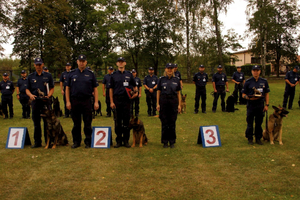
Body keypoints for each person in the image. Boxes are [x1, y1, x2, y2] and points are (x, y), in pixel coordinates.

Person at [65, 54, 99, 148]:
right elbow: (67, 88)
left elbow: (95, 89)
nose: (81, 63)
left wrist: (96, 102)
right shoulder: (71, 74)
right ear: (77, 62)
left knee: (87, 122)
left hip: (87, 101)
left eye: (83, 61)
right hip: (75, 100)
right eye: (80, 61)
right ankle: (76, 141)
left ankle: (88, 141)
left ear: (86, 62)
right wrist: (67, 101)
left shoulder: (90, 74)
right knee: (76, 123)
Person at [26, 58, 54, 148]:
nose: (38, 66)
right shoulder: (30, 77)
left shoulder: (48, 76)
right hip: (35, 102)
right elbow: (27, 89)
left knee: (47, 123)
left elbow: (52, 88)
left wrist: (49, 95)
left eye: (40, 64)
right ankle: (37, 142)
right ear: (34, 65)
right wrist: (30, 95)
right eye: (37, 65)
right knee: (36, 123)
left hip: (45, 102)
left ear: (42, 65)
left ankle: (48, 142)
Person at [109, 57, 137, 148]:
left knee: (126, 121)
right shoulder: (113, 75)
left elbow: (135, 86)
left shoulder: (129, 74)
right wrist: (111, 101)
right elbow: (111, 89)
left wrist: (135, 93)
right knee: (117, 121)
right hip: (117, 100)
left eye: (122, 62)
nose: (121, 63)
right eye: (119, 62)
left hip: (127, 100)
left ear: (125, 63)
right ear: (117, 64)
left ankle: (126, 140)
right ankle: (118, 140)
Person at [242, 65, 270, 145]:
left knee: (259, 123)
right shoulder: (248, 82)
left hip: (260, 105)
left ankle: (258, 138)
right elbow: (243, 94)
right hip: (251, 104)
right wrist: (247, 97)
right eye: (254, 70)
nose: (255, 72)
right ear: (252, 72)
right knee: (250, 123)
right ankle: (250, 138)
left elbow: (267, 93)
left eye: (257, 70)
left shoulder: (264, 81)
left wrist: (267, 105)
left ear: (260, 71)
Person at [157, 63, 181, 148]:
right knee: (164, 122)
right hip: (164, 101)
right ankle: (164, 141)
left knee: (172, 122)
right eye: (168, 68)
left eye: (171, 68)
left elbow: (178, 93)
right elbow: (158, 91)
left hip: (173, 101)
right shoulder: (161, 79)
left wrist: (179, 105)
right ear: (166, 69)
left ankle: (172, 141)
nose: (170, 70)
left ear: (173, 69)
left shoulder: (176, 79)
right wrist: (157, 103)